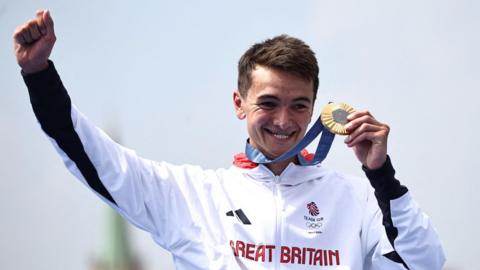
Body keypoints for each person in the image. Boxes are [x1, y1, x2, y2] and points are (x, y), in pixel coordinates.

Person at [14, 10, 445, 269]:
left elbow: (425, 264)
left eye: (299, 105)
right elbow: (91, 156)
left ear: (314, 109)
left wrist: (382, 176)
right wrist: (39, 76)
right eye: (269, 102)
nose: (283, 119)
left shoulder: (357, 200)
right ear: (239, 104)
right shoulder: (190, 195)